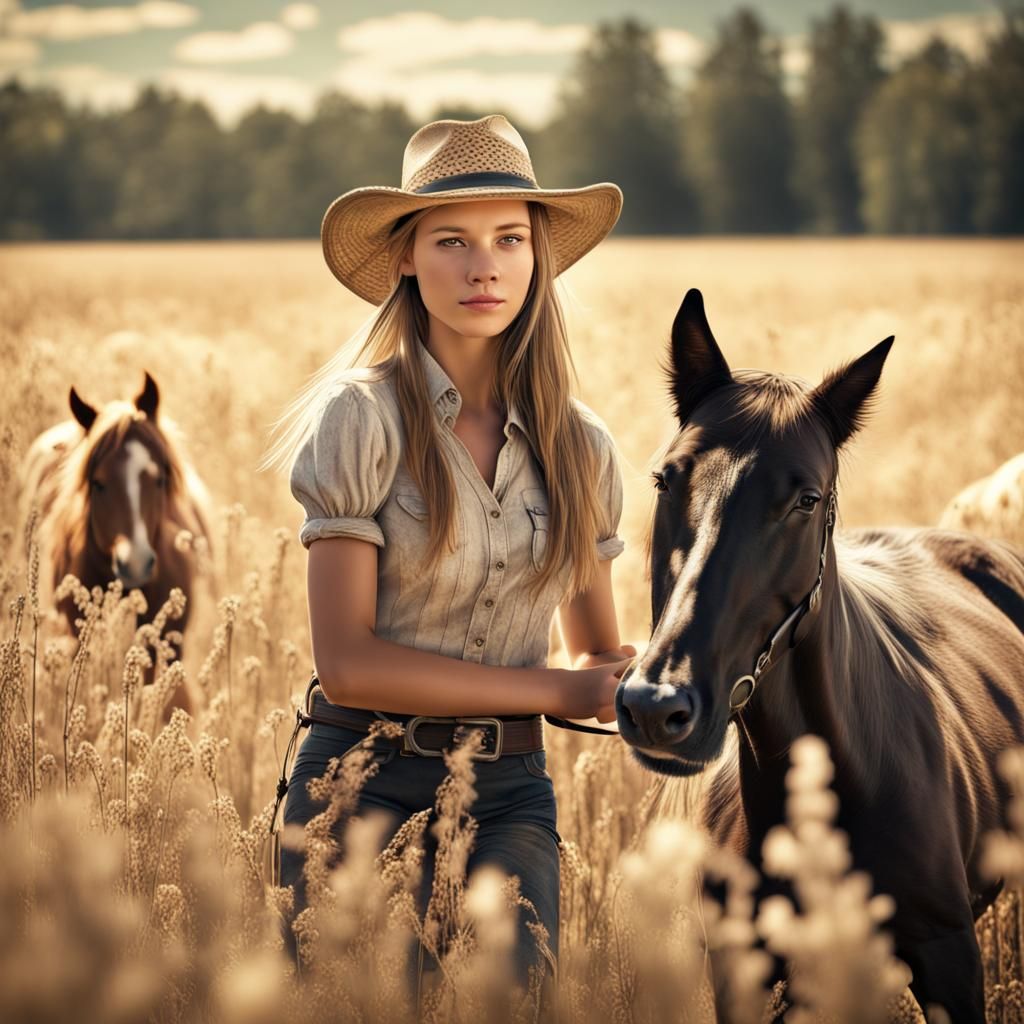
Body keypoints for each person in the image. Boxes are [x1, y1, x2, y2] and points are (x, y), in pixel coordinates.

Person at [262, 113, 635, 1012]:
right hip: (358, 778)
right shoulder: (361, 418)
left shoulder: (580, 449)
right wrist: (557, 691)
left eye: (510, 239)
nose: (484, 268)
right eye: (453, 241)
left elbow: (598, 655)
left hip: (511, 791)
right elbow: (347, 662)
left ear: (538, 255)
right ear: (404, 256)